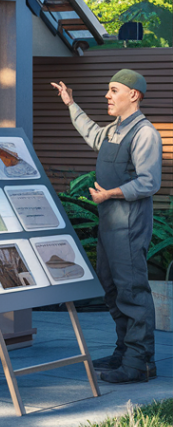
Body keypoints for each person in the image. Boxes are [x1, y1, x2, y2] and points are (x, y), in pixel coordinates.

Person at [52, 70, 162, 384]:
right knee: (111, 289)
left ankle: (140, 362)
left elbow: (149, 182)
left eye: (114, 90)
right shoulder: (115, 129)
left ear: (134, 95)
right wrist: (71, 104)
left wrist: (109, 194)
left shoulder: (145, 134)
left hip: (128, 225)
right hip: (109, 223)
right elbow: (93, 135)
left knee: (132, 292)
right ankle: (123, 352)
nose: (107, 96)